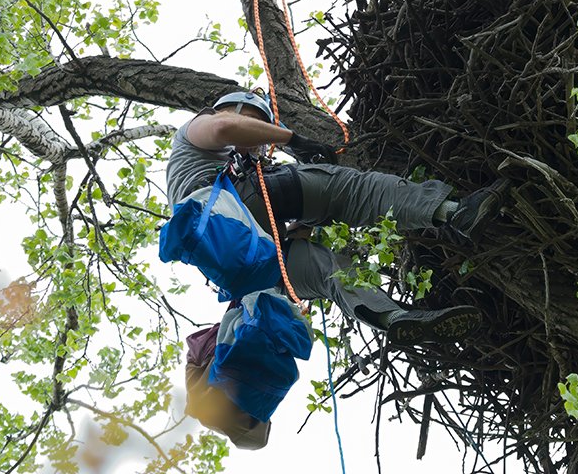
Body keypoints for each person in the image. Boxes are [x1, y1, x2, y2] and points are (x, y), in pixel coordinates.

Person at [165, 89, 507, 345]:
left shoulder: (216, 184)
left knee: (333, 271)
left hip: (245, 262)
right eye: (255, 125)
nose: (257, 144)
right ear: (237, 110)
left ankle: (397, 319)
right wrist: (293, 140)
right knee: (351, 190)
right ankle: (455, 213)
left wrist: (305, 225)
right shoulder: (198, 131)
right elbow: (225, 127)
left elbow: (276, 228)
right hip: (235, 206)